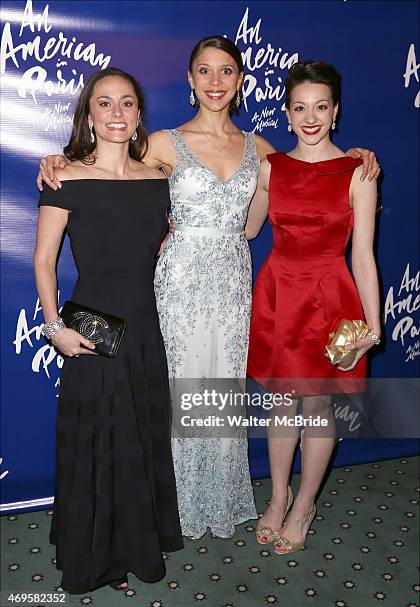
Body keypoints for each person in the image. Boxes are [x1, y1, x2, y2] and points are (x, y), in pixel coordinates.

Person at [36, 38, 379, 540]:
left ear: (241, 82)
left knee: (221, 394)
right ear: (190, 80)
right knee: (172, 392)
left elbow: (277, 206)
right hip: (177, 282)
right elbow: (105, 163)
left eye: (226, 72)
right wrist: (58, 161)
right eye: (204, 71)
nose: (215, 81)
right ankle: (165, 504)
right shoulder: (160, 143)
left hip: (235, 284)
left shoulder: (262, 152)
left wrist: (357, 155)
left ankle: (220, 497)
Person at [34, 67, 183, 593]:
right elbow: (45, 261)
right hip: (92, 326)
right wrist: (54, 327)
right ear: (89, 115)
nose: (116, 113)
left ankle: (134, 545)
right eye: (104, 103)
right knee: (99, 441)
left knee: (136, 439)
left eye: (127, 103)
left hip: (144, 325)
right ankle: (96, 556)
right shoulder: (63, 177)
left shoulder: (161, 177)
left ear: (139, 114)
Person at [246, 61, 381, 554]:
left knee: (318, 406)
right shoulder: (270, 167)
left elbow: (364, 254)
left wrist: (373, 323)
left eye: (320, 107)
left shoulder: (358, 172)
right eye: (300, 107)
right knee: (283, 403)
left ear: (335, 112)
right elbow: (247, 229)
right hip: (280, 292)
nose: (310, 116)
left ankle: (304, 506)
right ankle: (278, 499)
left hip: (330, 297)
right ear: (285, 113)